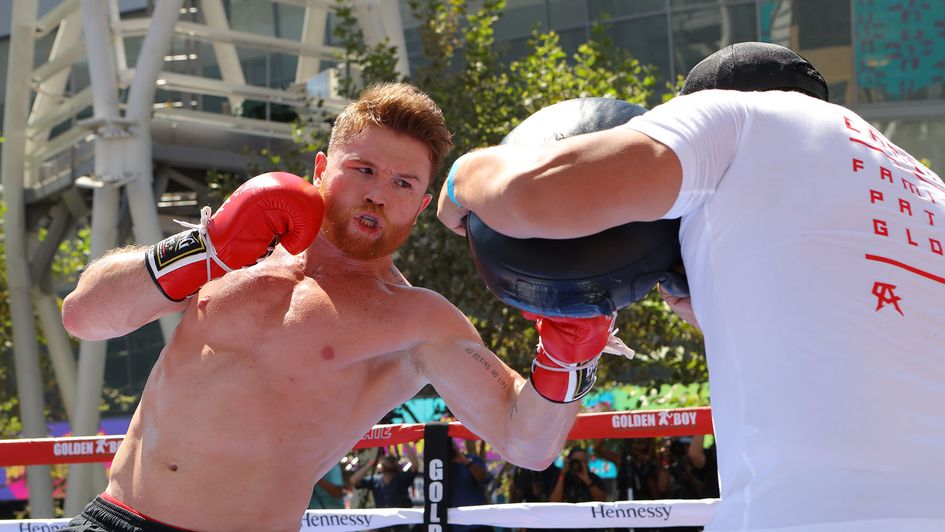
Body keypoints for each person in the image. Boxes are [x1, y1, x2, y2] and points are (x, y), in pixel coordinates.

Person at [59, 82, 623, 532]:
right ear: (320, 169)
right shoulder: (235, 256)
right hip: (111, 517)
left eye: (403, 183)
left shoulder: (415, 320)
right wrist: (202, 249)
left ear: (423, 205)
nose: (380, 192)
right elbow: (84, 315)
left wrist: (570, 358)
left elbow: (529, 443)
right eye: (364, 170)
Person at [438, 41, 945, 531]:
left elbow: (531, 195)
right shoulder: (924, 185)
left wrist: (464, 176)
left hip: (799, 514)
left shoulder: (729, 117)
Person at [349, 450, 419, 532]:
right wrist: (372, 463)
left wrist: (404, 441)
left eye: (391, 461)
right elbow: (354, 480)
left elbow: (415, 466)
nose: (389, 462)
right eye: (387, 461)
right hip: (382, 524)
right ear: (381, 465)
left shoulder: (402, 478)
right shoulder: (375, 480)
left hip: (400, 524)